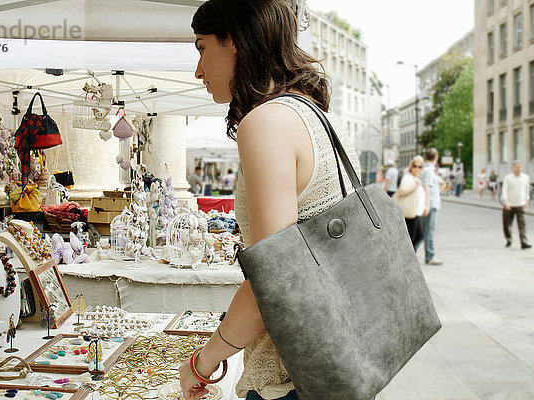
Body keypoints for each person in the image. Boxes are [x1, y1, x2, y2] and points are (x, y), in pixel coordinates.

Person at [180, 1, 362, 399]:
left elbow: (273, 281)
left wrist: (202, 362)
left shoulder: (267, 123)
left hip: (293, 379)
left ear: (235, 41)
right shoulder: (314, 113)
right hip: (342, 361)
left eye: (200, 46)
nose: (197, 70)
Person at [417, 148, 443, 265]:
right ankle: (430, 256)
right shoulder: (428, 170)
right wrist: (427, 205)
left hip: (429, 203)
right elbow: (426, 187)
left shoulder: (426, 169)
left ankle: (411, 253)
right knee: (428, 231)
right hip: (430, 204)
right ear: (436, 158)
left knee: (423, 232)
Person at [396, 156, 425, 249]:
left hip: (416, 212)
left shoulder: (415, 179)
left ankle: (410, 257)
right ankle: (409, 259)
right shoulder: (408, 178)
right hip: (409, 213)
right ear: (411, 167)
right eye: (415, 166)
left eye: (419, 167)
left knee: (418, 236)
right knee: (412, 238)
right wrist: (415, 186)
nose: (417, 168)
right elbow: (401, 191)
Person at [501, 161, 531, 249]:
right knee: (507, 224)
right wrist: (505, 202)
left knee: (522, 224)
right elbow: (504, 191)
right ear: (513, 168)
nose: (519, 169)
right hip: (509, 204)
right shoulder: (508, 178)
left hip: (521, 204)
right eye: (517, 167)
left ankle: (524, 242)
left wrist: (527, 200)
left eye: (520, 167)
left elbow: (527, 189)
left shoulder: (525, 177)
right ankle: (509, 239)